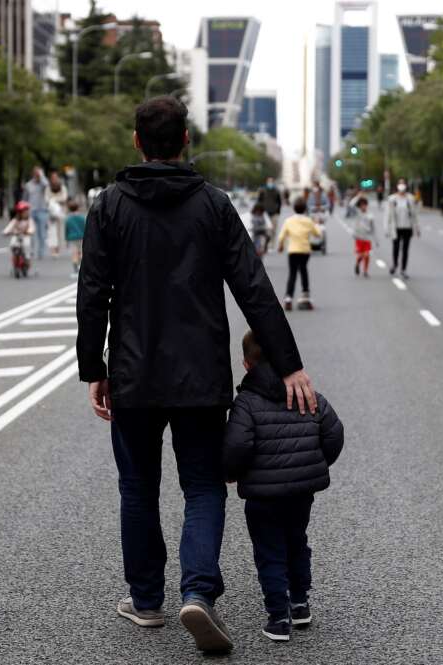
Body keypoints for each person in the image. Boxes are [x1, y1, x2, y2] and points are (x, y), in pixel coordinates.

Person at [77, 95, 314, 655]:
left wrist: (95, 367)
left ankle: (146, 601)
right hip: (201, 376)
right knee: (203, 486)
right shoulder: (212, 205)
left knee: (137, 486)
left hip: (133, 373)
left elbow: (92, 293)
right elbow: (253, 287)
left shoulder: (109, 206)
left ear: (136, 141)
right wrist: (289, 364)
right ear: (186, 140)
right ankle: (198, 592)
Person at [223, 330, 344, 642]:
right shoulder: (307, 393)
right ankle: (300, 602)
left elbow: (237, 446)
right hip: (301, 492)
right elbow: (333, 433)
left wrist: (232, 472)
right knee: (296, 540)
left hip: (262, 496)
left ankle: (278, 617)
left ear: (246, 364)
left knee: (269, 550)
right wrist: (313, 465)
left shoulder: (246, 402)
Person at [277, 197, 322, 311]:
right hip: (305, 250)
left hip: (293, 250)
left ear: (294, 208)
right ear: (305, 209)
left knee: (292, 274)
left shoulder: (288, 221)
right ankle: (305, 294)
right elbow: (318, 234)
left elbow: (281, 236)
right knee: (303, 271)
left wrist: (281, 246)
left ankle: (288, 298)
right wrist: (316, 224)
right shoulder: (308, 221)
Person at [386, 178, 420, 279]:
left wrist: (417, 228)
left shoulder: (410, 198)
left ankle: (403, 269)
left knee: (405, 249)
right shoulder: (392, 199)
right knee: (396, 248)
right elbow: (388, 215)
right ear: (397, 185)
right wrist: (387, 228)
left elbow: (414, 215)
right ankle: (395, 264)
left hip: (407, 227)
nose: (402, 186)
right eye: (400, 183)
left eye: (403, 184)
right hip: (396, 227)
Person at [23, 166, 49, 260]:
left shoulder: (43, 184)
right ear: (33, 174)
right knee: (31, 233)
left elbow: (46, 184)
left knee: (42, 233)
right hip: (31, 211)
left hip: (42, 210)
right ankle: (31, 251)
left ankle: (41, 253)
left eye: (38, 173)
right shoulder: (28, 185)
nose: (37, 174)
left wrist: (41, 175)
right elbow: (25, 198)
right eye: (36, 173)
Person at [351, 196, 379, 277]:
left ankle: (365, 271)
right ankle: (357, 264)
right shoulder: (357, 213)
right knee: (360, 255)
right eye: (361, 205)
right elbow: (351, 205)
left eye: (365, 205)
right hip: (359, 237)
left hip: (367, 238)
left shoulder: (370, 215)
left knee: (367, 255)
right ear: (359, 206)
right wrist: (358, 197)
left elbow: (373, 228)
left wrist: (376, 240)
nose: (363, 206)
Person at [45, 171, 68, 259]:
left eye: (56, 177)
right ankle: (53, 249)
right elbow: (46, 199)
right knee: (52, 231)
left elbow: (64, 198)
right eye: (53, 178)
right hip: (51, 213)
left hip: (61, 213)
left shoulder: (62, 188)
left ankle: (58, 249)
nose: (54, 179)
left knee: (60, 231)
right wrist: (55, 200)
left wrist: (53, 200)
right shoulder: (48, 188)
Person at [255, 177, 282, 245]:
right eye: (269, 182)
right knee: (265, 230)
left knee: (273, 230)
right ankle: (265, 244)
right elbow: (259, 201)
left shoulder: (277, 191)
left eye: (271, 182)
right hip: (265, 213)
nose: (270, 183)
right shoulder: (263, 190)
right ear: (266, 182)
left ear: (273, 182)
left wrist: (278, 211)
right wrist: (259, 211)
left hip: (274, 213)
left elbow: (279, 202)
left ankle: (271, 244)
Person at [64, 199, 86, 278]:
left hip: (72, 238)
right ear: (78, 208)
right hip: (82, 237)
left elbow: (66, 230)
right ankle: (81, 267)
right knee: (81, 252)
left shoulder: (68, 219)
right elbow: (85, 227)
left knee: (74, 253)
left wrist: (66, 239)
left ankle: (75, 270)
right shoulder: (82, 217)